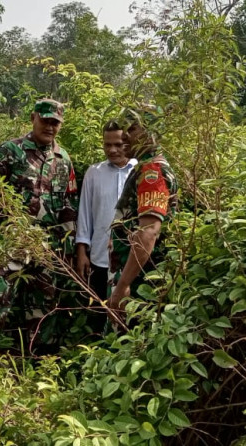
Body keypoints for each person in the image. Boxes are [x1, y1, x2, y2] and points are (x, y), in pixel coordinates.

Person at [0, 98, 79, 347]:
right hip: (9, 241)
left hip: (47, 246)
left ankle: (37, 361)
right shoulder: (11, 150)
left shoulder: (64, 159)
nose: (50, 127)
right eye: (45, 121)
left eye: (55, 123)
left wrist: (68, 249)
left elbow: (69, 205)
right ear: (33, 118)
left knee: (44, 306)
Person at [107, 105, 179, 327]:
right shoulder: (147, 168)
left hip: (141, 285)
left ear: (152, 132)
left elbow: (148, 232)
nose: (124, 135)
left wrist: (122, 288)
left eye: (133, 128)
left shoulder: (152, 172)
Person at [75, 120, 137, 301]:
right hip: (99, 258)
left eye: (118, 145)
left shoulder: (140, 170)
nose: (112, 150)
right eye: (107, 145)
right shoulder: (94, 173)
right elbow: (85, 214)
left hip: (131, 260)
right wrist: (81, 252)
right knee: (99, 312)